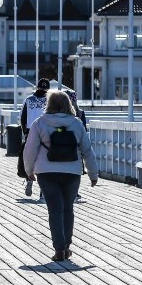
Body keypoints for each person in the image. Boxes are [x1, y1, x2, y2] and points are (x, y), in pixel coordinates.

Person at [23, 90, 99, 261]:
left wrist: (29, 172)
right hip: (72, 172)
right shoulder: (76, 123)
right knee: (68, 209)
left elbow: (29, 150)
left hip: (46, 172)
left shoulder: (39, 123)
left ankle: (59, 249)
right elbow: (87, 150)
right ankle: (66, 246)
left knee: (54, 210)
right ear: (68, 104)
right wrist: (93, 174)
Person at [20, 78, 51, 198]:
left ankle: (29, 180)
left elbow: (22, 118)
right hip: (46, 134)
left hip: (31, 132)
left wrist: (25, 133)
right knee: (44, 161)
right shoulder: (49, 101)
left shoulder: (28, 100)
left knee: (30, 159)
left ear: (37, 87)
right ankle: (43, 191)